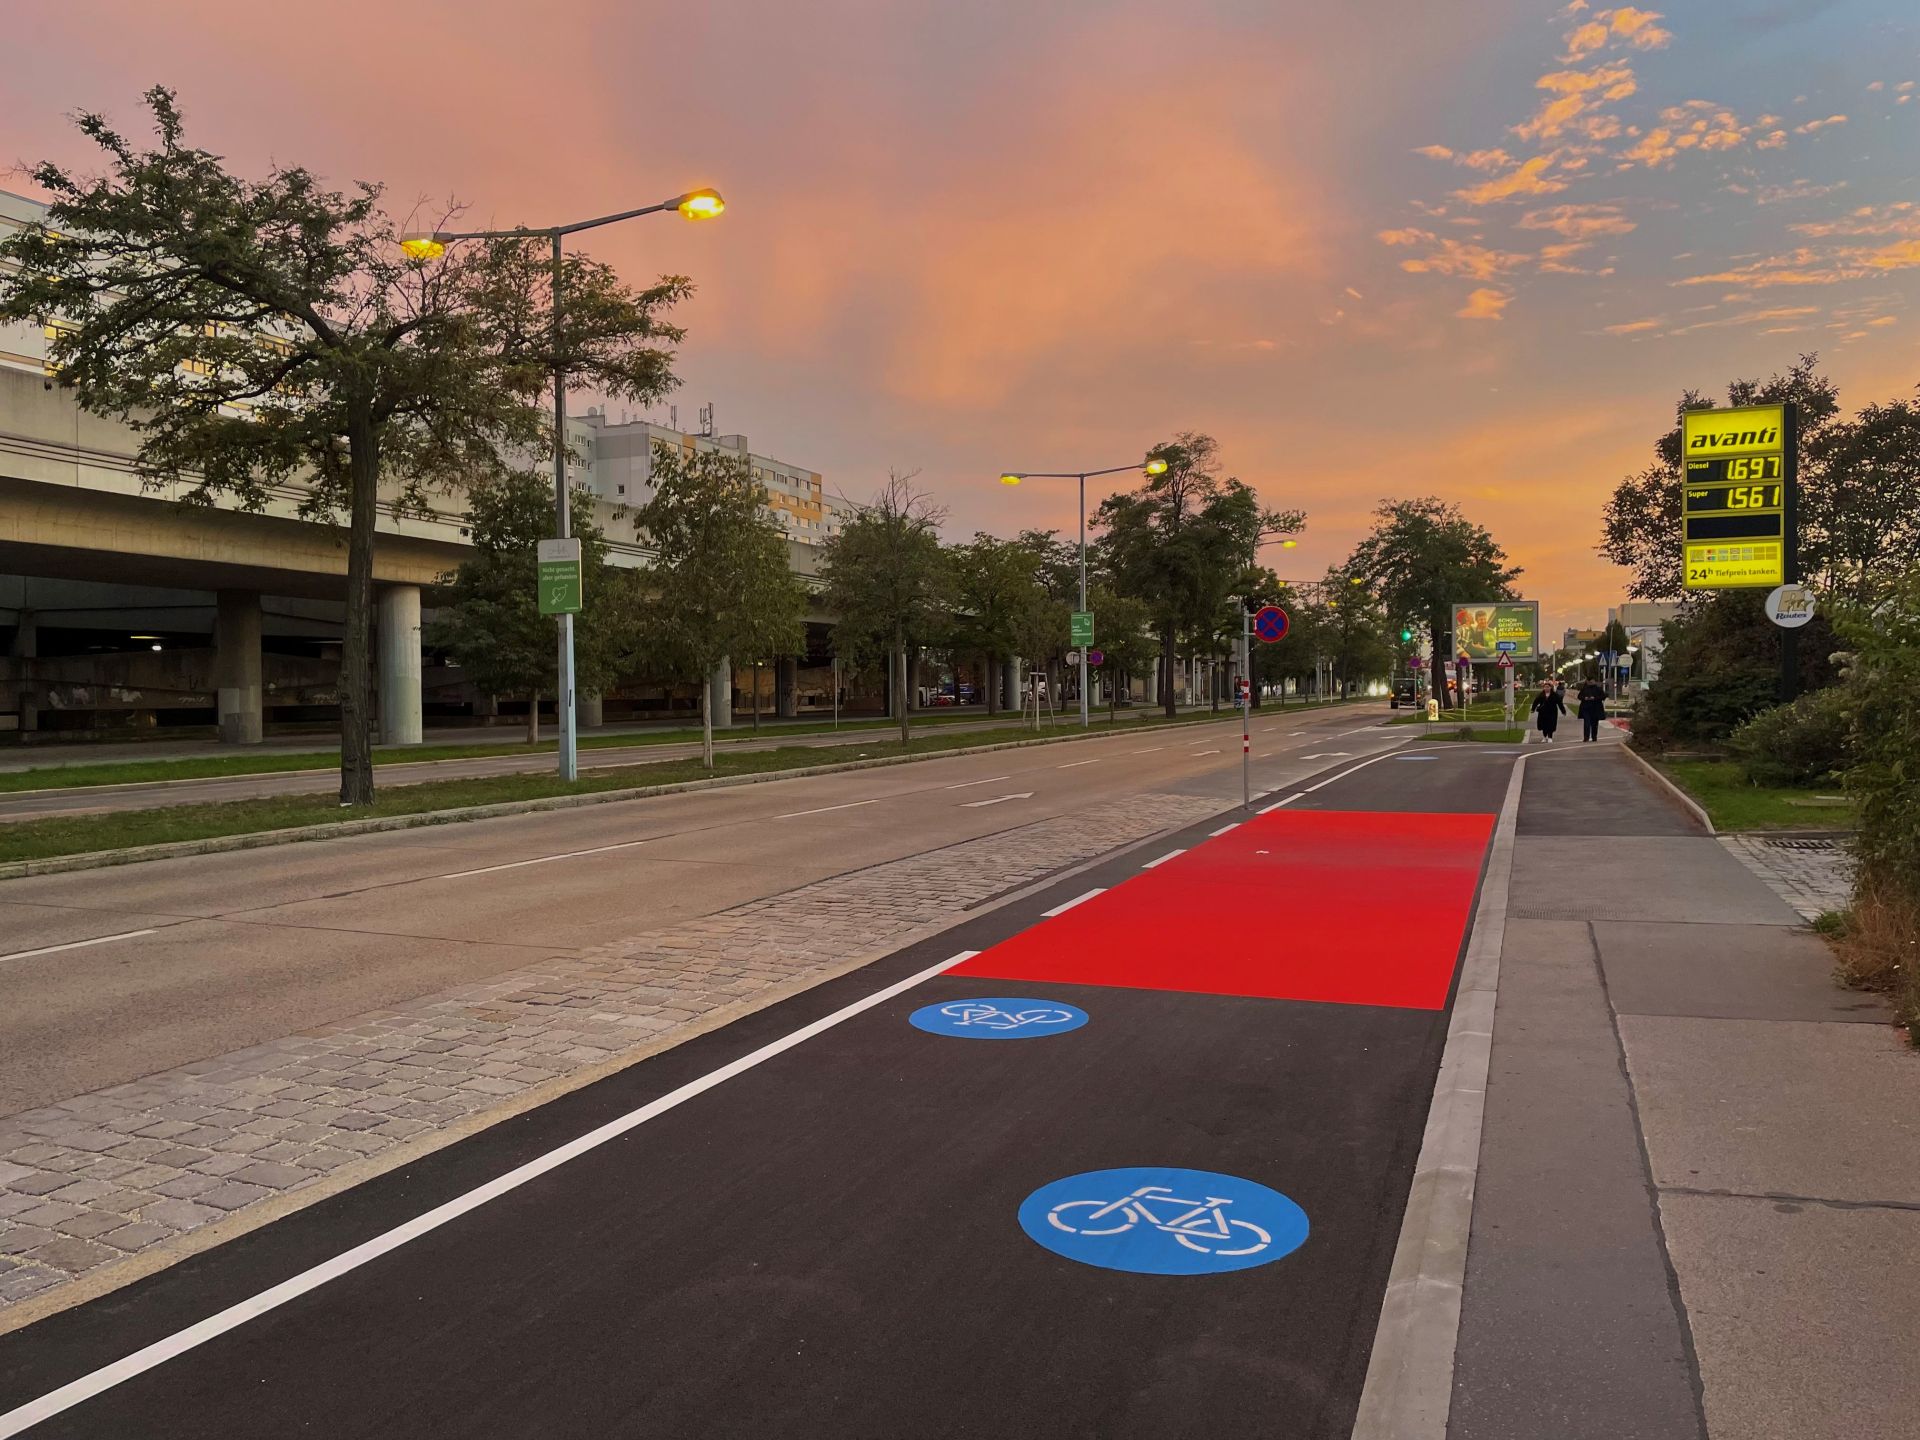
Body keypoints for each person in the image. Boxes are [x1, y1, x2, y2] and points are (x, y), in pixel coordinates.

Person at [1530, 678, 1565, 743]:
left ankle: (1550, 737)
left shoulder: (1554, 695)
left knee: (1551, 725)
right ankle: (1544, 737)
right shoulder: (1541, 695)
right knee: (1544, 725)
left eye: (1548, 687)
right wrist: (1533, 709)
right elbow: (1535, 702)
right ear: (1543, 688)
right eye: (1545, 687)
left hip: (1552, 712)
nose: (1546, 688)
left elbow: (1560, 703)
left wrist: (1563, 711)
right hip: (1543, 712)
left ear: (1550, 688)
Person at [1577, 677, 1607, 742]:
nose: (1590, 682)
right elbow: (1579, 696)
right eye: (1589, 681)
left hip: (1595, 708)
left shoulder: (1598, 689)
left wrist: (1595, 698)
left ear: (1594, 681)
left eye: (1591, 681)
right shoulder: (1584, 689)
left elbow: (1603, 696)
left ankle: (1594, 737)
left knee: (1594, 724)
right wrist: (1585, 698)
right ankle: (1586, 737)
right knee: (1586, 723)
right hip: (1586, 708)